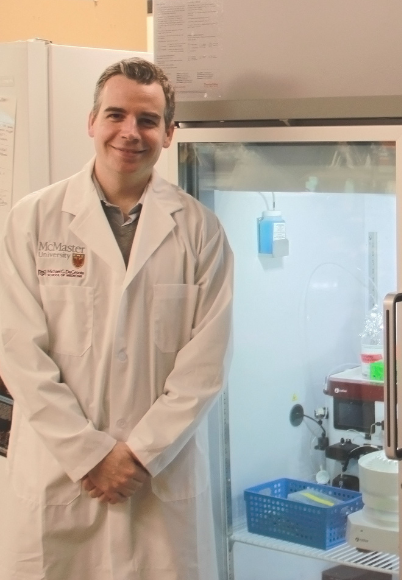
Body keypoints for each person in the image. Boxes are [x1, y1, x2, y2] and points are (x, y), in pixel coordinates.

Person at [0, 58, 233, 580]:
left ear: (169, 134)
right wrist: (91, 456)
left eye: (148, 120)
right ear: (92, 121)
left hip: (156, 480)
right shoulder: (33, 220)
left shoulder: (200, 232)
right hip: (60, 478)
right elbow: (17, 350)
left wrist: (139, 454)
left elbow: (205, 366)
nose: (130, 132)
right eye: (116, 115)